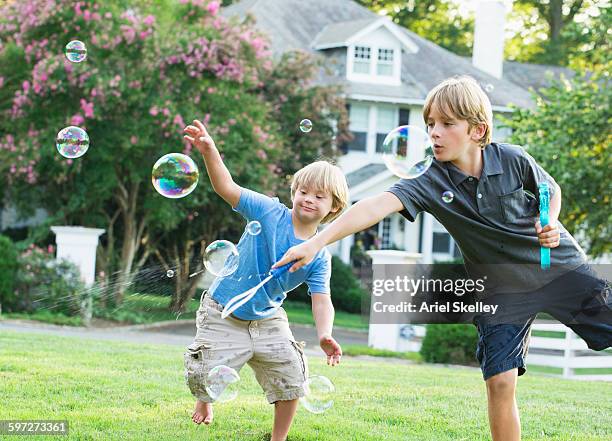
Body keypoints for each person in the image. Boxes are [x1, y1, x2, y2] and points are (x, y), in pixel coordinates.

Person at [272, 76, 611, 441]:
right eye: (430, 123)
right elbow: (373, 206)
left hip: (558, 268)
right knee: (499, 381)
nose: (434, 133)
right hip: (501, 291)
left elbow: (549, 189)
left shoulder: (511, 158)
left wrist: (550, 221)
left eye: (447, 124)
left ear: (477, 130)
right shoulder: (429, 180)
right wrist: (317, 242)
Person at [182, 120, 348, 441]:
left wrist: (325, 334)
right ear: (293, 192)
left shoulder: (319, 256)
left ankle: (278, 437)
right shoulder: (269, 212)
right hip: (223, 309)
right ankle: (205, 399)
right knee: (205, 372)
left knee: (291, 375)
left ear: (334, 207)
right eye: (303, 191)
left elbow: (321, 299)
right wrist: (210, 151)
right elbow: (226, 187)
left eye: (319, 196)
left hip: (268, 317)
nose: (308, 199)